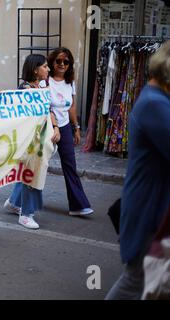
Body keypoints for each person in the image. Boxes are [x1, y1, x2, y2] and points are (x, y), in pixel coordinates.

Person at [106, 41, 170, 300]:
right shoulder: (155, 103)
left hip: (151, 207)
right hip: (150, 211)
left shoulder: (156, 99)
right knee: (137, 279)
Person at [3, 54, 60, 229]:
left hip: (40, 141)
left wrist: (56, 127)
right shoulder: (24, 90)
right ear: (35, 70)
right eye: (44, 66)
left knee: (29, 172)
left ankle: (14, 202)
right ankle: (26, 214)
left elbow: (49, 110)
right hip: (30, 142)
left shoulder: (41, 87)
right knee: (32, 173)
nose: (48, 69)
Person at [47, 47, 93, 216]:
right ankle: (16, 201)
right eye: (58, 61)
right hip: (47, 126)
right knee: (39, 164)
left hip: (65, 126)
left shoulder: (70, 82)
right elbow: (44, 106)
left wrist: (76, 128)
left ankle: (78, 205)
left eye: (66, 62)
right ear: (52, 62)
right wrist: (54, 127)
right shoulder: (46, 80)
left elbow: (72, 107)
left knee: (70, 165)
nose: (62, 64)